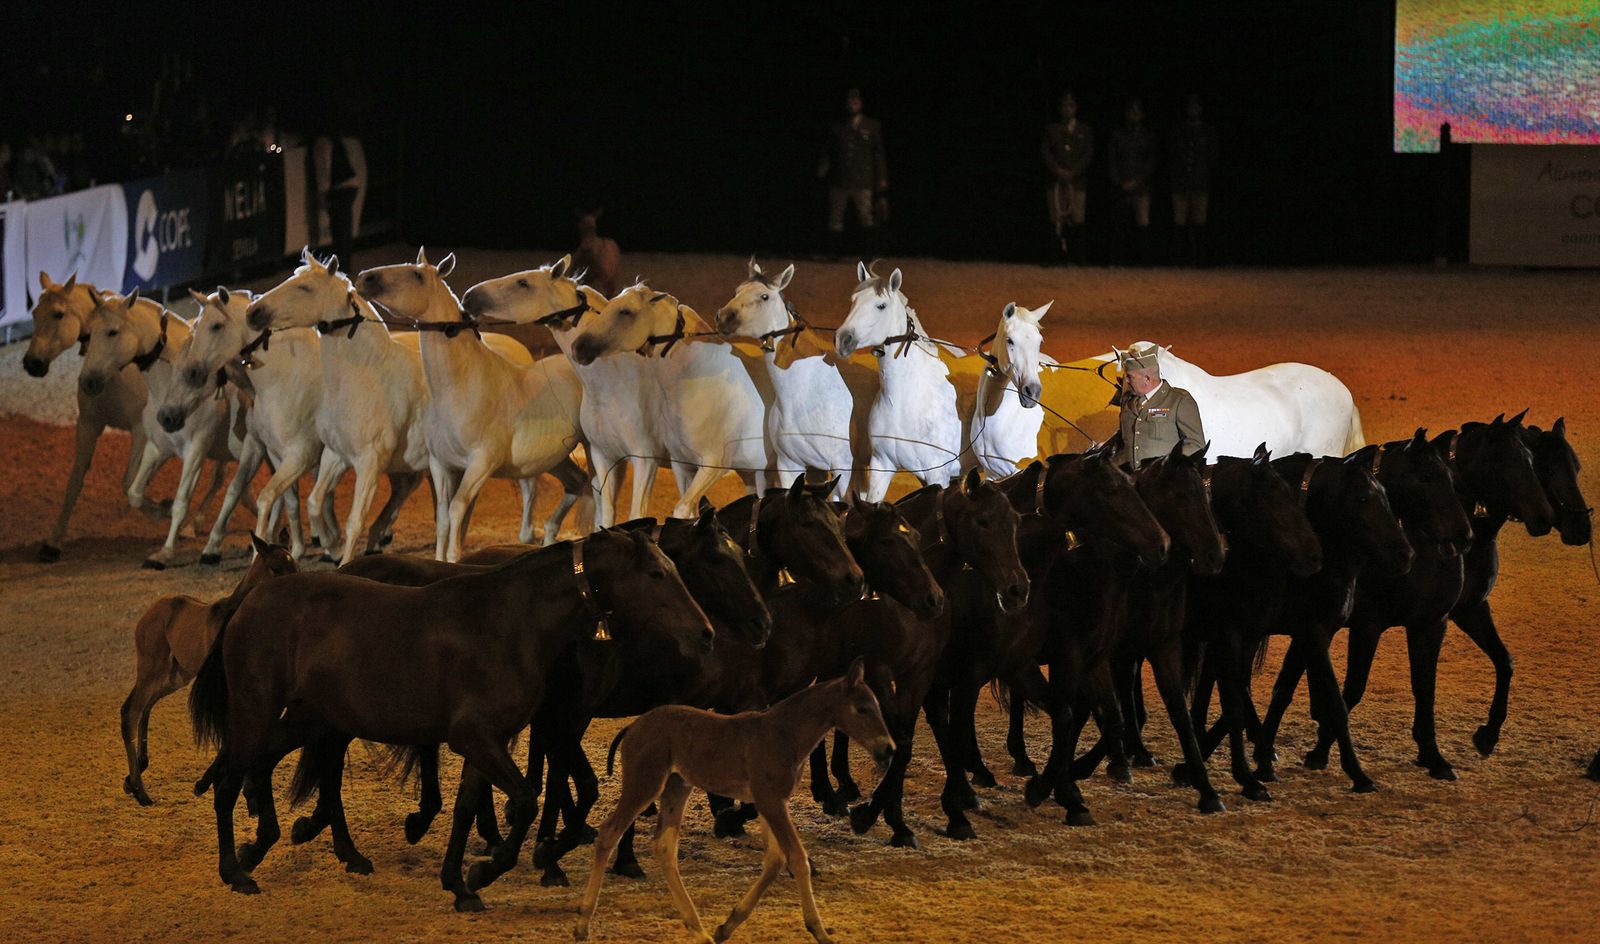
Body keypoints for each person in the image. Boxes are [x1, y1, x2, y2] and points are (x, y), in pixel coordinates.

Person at [1112, 342, 1204, 469]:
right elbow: (1125, 438)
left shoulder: (1179, 401)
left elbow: (1196, 445)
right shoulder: (1127, 401)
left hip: (1162, 478)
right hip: (1128, 477)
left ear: (1147, 379)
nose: (1126, 380)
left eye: (1129, 376)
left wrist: (1165, 465)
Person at [816, 87, 887, 251]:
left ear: (860, 104)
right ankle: (833, 252)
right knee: (835, 217)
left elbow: (878, 154)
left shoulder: (872, 125)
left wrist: (882, 177)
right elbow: (828, 151)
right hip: (840, 178)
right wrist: (823, 167)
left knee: (866, 216)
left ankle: (870, 253)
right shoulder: (837, 126)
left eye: (856, 102)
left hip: (863, 179)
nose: (853, 105)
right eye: (850, 102)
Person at [1041, 89, 1093, 264]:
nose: (1067, 109)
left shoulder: (1085, 130)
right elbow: (1046, 153)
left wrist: (1074, 171)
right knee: (1056, 218)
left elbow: (1087, 154)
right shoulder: (1051, 129)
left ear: (1076, 108)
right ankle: (1054, 258)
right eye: (1064, 105)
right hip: (1055, 180)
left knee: (1077, 218)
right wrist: (1057, 170)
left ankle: (1079, 259)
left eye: (1070, 105)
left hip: (1076, 181)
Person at [1169, 92, 1219, 265]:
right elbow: (1172, 155)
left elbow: (1213, 157)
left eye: (1196, 106)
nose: (1193, 110)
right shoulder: (1178, 129)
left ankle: (1200, 260)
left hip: (1200, 182)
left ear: (1201, 109)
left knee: (1200, 221)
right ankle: (1179, 260)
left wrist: (1204, 175)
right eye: (1190, 106)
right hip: (1180, 182)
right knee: (1180, 222)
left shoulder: (1208, 131)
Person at [1108, 97, 1157, 265]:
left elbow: (1151, 162)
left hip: (1141, 186)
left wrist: (1138, 181)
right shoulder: (1117, 135)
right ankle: (1117, 262)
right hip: (1121, 185)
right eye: (1131, 111)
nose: (1133, 114)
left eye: (1137, 111)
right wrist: (1119, 183)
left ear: (1142, 115)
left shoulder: (1148, 136)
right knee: (1120, 224)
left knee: (1143, 222)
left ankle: (1145, 262)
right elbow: (1112, 160)